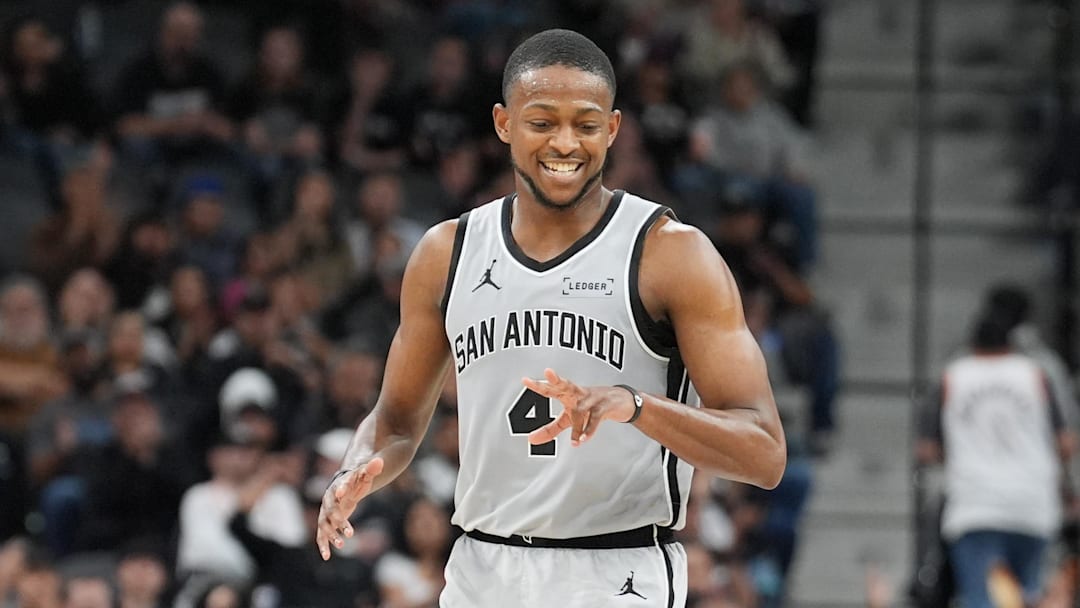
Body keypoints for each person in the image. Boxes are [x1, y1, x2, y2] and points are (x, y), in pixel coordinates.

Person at [316, 28, 786, 607]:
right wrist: (358, 468)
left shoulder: (672, 254)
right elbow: (395, 421)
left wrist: (637, 406)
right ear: (503, 124)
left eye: (585, 125)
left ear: (611, 129)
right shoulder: (447, 253)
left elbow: (764, 452)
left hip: (615, 572)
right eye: (542, 122)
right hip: (480, 570)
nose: (565, 143)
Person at [918, 315, 1075, 608]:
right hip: (1033, 505)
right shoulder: (1035, 374)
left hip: (975, 506)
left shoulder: (953, 375)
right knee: (1027, 597)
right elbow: (1066, 444)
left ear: (972, 345)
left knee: (981, 600)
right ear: (1011, 346)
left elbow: (927, 450)